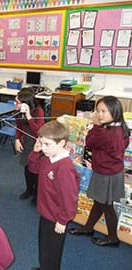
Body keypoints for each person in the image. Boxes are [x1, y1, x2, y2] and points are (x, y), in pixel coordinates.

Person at [68, 96, 130, 247]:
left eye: (103, 111)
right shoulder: (121, 127)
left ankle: (113, 238)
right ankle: (88, 228)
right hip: (113, 171)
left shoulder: (105, 132)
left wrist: (95, 126)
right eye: (98, 111)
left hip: (106, 173)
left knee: (106, 206)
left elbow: (89, 143)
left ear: (114, 112)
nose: (99, 114)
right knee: (100, 202)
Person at [28, 120, 79, 270]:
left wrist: (63, 220)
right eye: (41, 143)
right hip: (46, 211)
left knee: (53, 251)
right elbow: (33, 168)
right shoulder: (46, 158)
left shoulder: (64, 167)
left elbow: (70, 198)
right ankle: (45, 267)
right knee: (44, 245)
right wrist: (35, 152)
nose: (43, 148)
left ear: (61, 143)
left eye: (47, 144)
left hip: (57, 217)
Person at [14, 88, 45, 203]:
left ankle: (37, 194)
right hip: (26, 142)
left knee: (35, 170)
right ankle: (29, 190)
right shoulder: (18, 112)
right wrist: (17, 139)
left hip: (37, 143)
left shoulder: (38, 111)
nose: (15, 104)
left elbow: (38, 131)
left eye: (17, 102)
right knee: (26, 167)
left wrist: (28, 116)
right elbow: (19, 127)